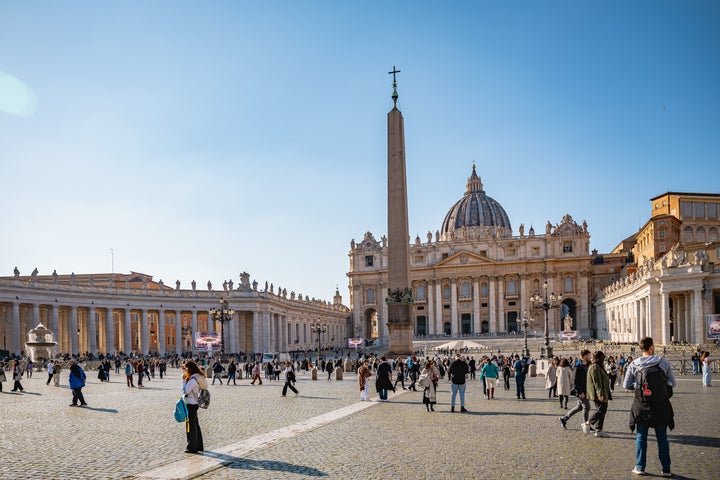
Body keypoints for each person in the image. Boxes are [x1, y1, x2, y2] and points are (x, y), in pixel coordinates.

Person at [623, 336, 676, 477]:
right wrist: (660, 388)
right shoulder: (663, 362)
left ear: (641, 348)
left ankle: (640, 467)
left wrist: (640, 387)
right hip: (661, 406)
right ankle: (666, 469)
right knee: (662, 438)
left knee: (641, 437)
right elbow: (673, 383)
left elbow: (625, 385)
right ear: (651, 347)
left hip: (642, 406)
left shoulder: (634, 364)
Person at [559, 350, 591, 430]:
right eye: (588, 355)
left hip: (585, 389)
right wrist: (579, 392)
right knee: (586, 407)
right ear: (584, 356)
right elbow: (574, 380)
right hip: (581, 390)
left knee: (580, 407)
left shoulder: (588, 364)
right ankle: (586, 425)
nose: (590, 357)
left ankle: (564, 418)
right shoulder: (578, 366)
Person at [584, 350, 611, 437]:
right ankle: (587, 423)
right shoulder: (595, 367)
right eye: (603, 358)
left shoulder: (598, 366)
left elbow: (602, 378)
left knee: (602, 410)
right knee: (601, 410)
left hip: (603, 392)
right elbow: (597, 382)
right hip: (598, 393)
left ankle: (599, 430)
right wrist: (600, 394)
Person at [182, 360, 207, 454]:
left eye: (186, 368)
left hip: (190, 403)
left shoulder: (192, 380)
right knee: (195, 424)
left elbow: (185, 391)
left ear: (189, 369)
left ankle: (192, 447)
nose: (185, 370)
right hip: (195, 403)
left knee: (191, 426)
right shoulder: (198, 376)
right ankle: (199, 445)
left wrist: (184, 380)